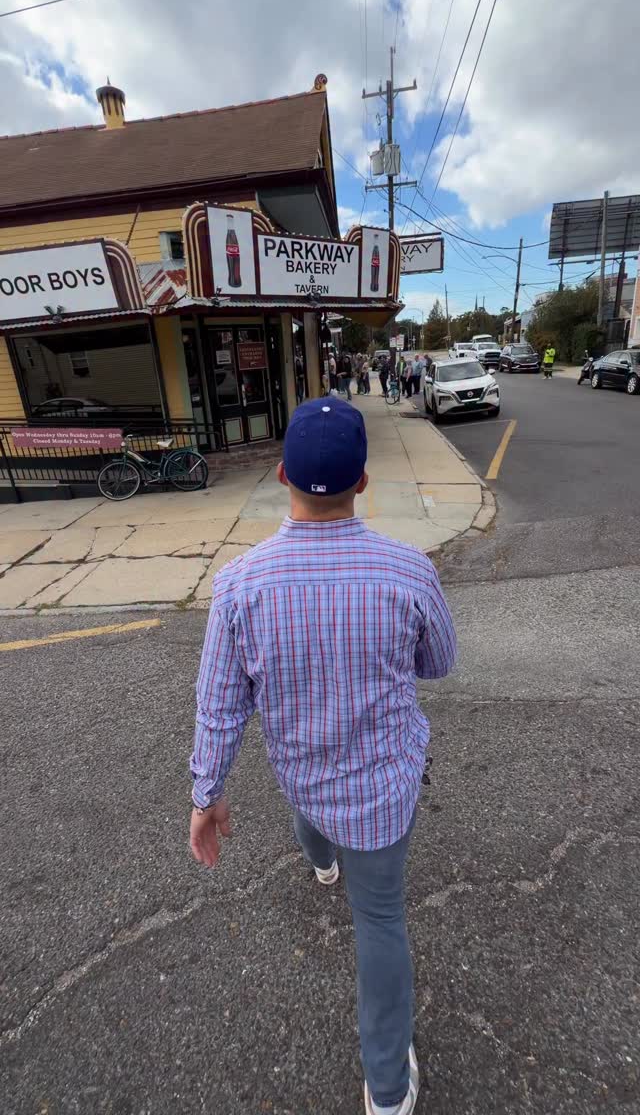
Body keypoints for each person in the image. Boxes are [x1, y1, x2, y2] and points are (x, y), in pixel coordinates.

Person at [190, 396, 456, 1115]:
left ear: (280, 474)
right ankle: (388, 1091)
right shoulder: (408, 571)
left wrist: (205, 794)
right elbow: (440, 662)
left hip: (303, 775)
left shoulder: (239, 587)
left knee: (309, 816)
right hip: (382, 792)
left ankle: (318, 861)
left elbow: (220, 704)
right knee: (380, 923)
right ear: (363, 482)